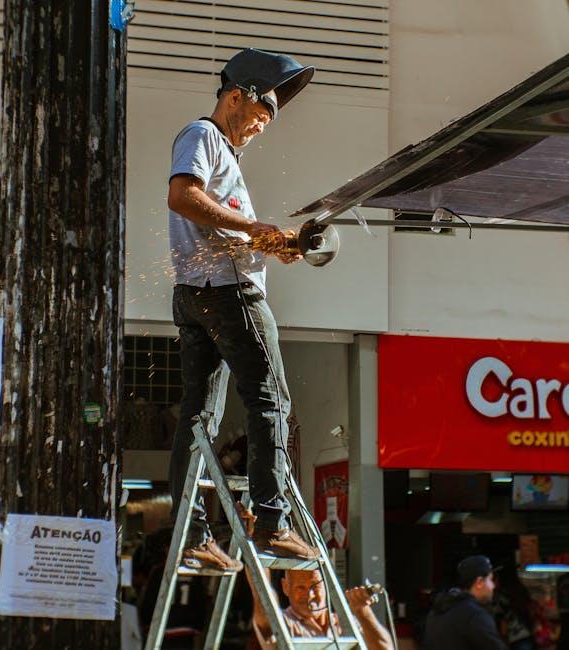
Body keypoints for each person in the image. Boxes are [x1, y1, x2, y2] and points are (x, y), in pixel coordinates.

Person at [167, 48, 318, 572]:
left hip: (197, 292)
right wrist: (254, 231)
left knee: (200, 416)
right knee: (270, 399)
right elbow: (184, 197)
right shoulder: (203, 135)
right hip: (229, 294)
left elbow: (221, 226)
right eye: (258, 115)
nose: (259, 127)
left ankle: (191, 537)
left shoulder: (226, 156)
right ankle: (273, 523)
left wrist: (273, 244)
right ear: (235, 96)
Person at [247, 567, 393, 650]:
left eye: (315, 585)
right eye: (300, 587)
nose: (310, 595)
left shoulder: (345, 623)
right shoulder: (284, 623)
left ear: (327, 586)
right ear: (286, 587)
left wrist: (362, 611)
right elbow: (264, 605)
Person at [424, 555, 507, 650]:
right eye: (490, 579)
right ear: (479, 582)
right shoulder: (475, 615)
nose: (493, 586)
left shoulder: (435, 612)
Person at [492, 564, 536, 650]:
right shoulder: (521, 591)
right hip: (528, 635)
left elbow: (503, 625)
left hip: (514, 638)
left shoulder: (501, 597)